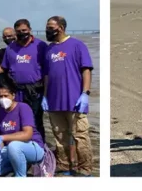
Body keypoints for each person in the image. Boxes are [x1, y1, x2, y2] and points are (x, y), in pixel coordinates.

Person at [42, 16, 93, 176]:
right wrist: (45, 96)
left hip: (74, 101)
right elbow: (46, 76)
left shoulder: (77, 45)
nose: (47, 30)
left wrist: (85, 93)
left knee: (80, 136)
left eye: (50, 27)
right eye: (47, 27)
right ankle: (64, 166)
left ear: (61, 27)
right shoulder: (49, 49)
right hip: (54, 102)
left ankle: (85, 169)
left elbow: (86, 70)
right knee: (60, 136)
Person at [0, 21, 47, 134]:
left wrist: (47, 92)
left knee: (36, 119)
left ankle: (39, 145)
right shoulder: (10, 48)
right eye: (19, 31)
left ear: (30, 29)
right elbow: (3, 68)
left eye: (24, 30)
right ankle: (19, 142)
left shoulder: (41, 45)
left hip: (35, 90)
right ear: (16, 32)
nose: (22, 33)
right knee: (16, 118)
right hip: (17, 90)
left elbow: (47, 70)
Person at [0, 85, 46, 177]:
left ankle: (20, 175)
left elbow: (28, 134)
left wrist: (3, 138)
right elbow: (2, 135)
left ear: (13, 95)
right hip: (11, 149)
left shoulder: (23, 107)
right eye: (0, 96)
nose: (3, 99)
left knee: (14, 145)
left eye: (6, 95)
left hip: (33, 146)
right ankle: (19, 165)